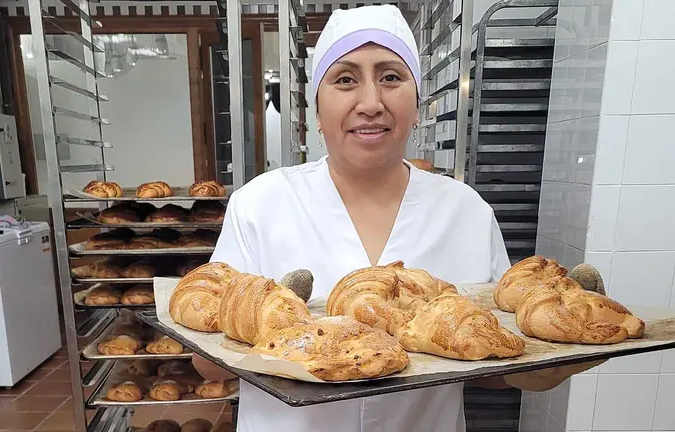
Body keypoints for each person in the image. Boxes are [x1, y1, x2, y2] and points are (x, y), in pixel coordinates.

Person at [193, 5, 595, 431]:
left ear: (417, 105)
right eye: (345, 79)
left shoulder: (466, 212)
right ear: (317, 110)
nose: (370, 103)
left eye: (390, 77)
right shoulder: (261, 204)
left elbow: (491, 364)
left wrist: (554, 360)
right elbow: (208, 363)